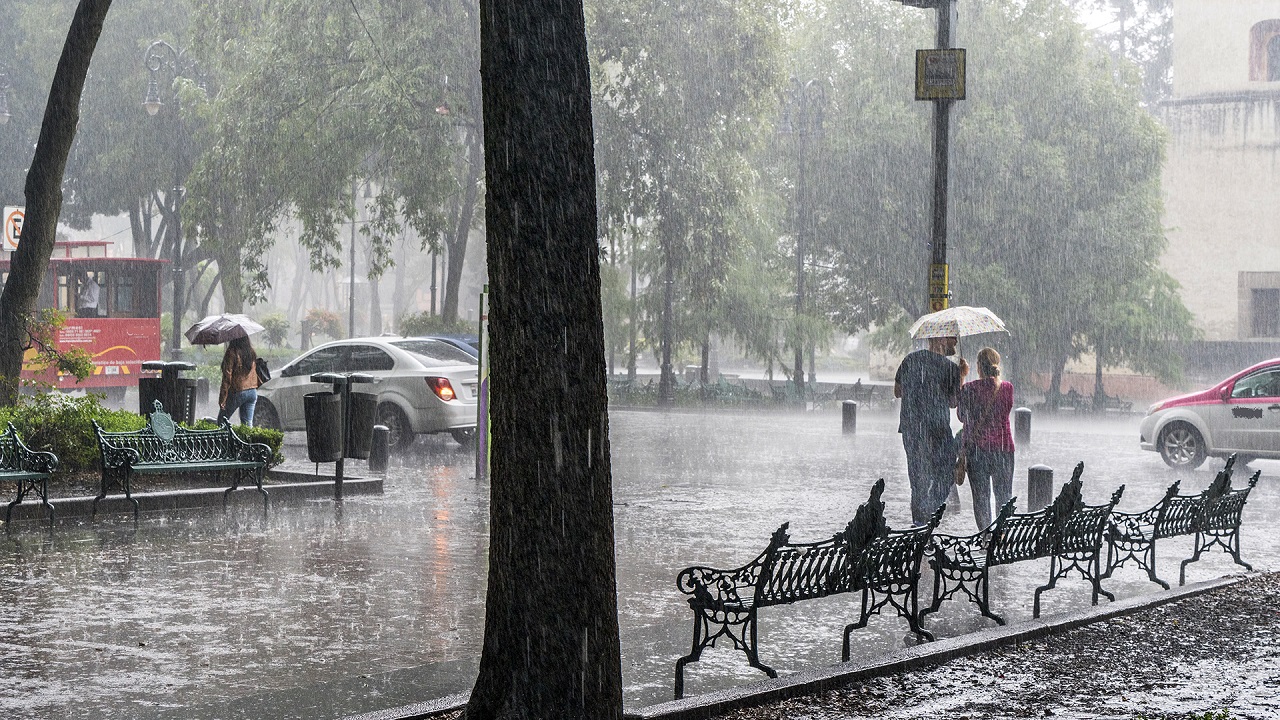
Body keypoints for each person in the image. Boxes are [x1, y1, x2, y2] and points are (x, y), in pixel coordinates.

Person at [895, 335, 966, 527]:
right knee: (946, 474)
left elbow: (898, 391)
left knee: (918, 479)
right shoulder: (950, 368)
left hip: (912, 428)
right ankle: (926, 513)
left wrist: (917, 389)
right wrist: (961, 377)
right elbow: (953, 403)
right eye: (952, 339)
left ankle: (919, 522)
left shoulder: (910, 360)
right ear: (941, 340)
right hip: (938, 429)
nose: (955, 343)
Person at [957, 347, 1015, 530]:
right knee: (1004, 496)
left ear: (979, 367)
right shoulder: (1007, 388)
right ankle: (1002, 536)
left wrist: (962, 378)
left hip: (978, 452)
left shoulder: (970, 389)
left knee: (981, 498)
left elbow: (961, 416)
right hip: (1004, 450)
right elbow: (1004, 412)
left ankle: (986, 537)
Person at [218, 336, 260, 426]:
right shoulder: (251, 352)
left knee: (221, 421)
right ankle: (247, 440)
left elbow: (227, 378)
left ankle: (226, 440)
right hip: (252, 391)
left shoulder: (232, 353)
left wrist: (223, 398)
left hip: (238, 391)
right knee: (247, 425)